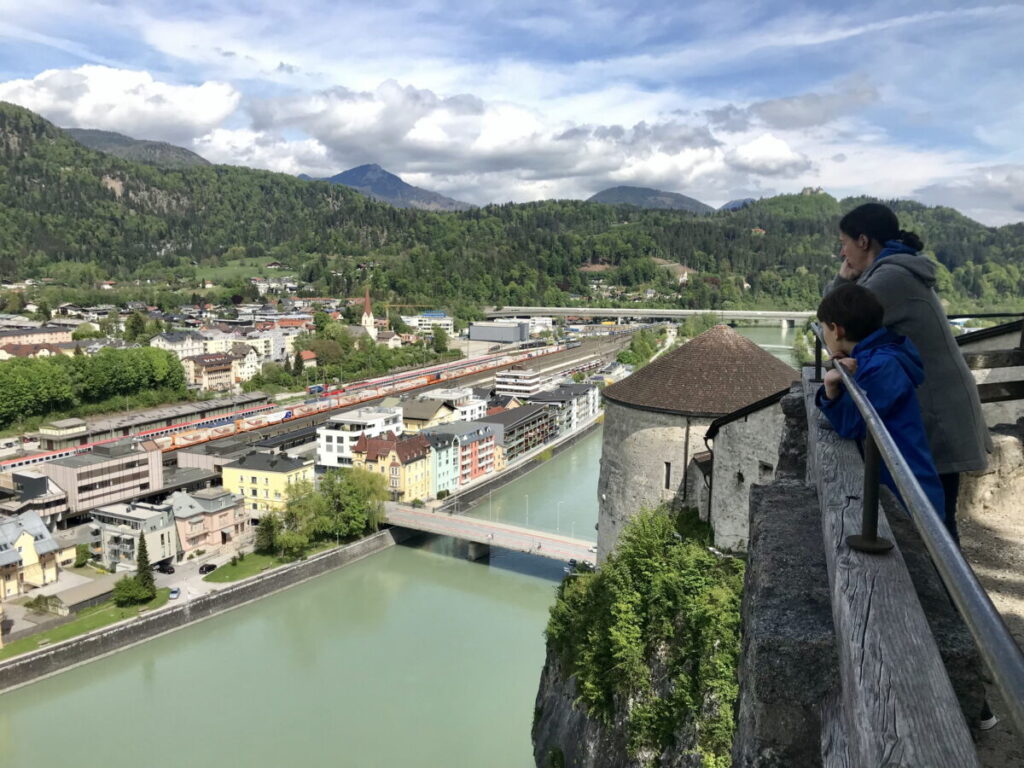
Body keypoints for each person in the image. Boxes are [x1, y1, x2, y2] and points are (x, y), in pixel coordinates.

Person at [829, 202, 990, 542]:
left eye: (843, 243)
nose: (841, 252)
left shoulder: (890, 278)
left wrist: (840, 280)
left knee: (935, 524)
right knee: (935, 516)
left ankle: (950, 595)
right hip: (936, 404)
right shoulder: (891, 271)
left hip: (937, 414)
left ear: (863, 240)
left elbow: (835, 323)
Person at [815, 284, 946, 525]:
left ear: (837, 330)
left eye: (823, 328)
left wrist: (832, 388)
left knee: (931, 558)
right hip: (907, 482)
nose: (822, 336)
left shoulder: (882, 366)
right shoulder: (878, 355)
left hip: (907, 493)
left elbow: (852, 423)